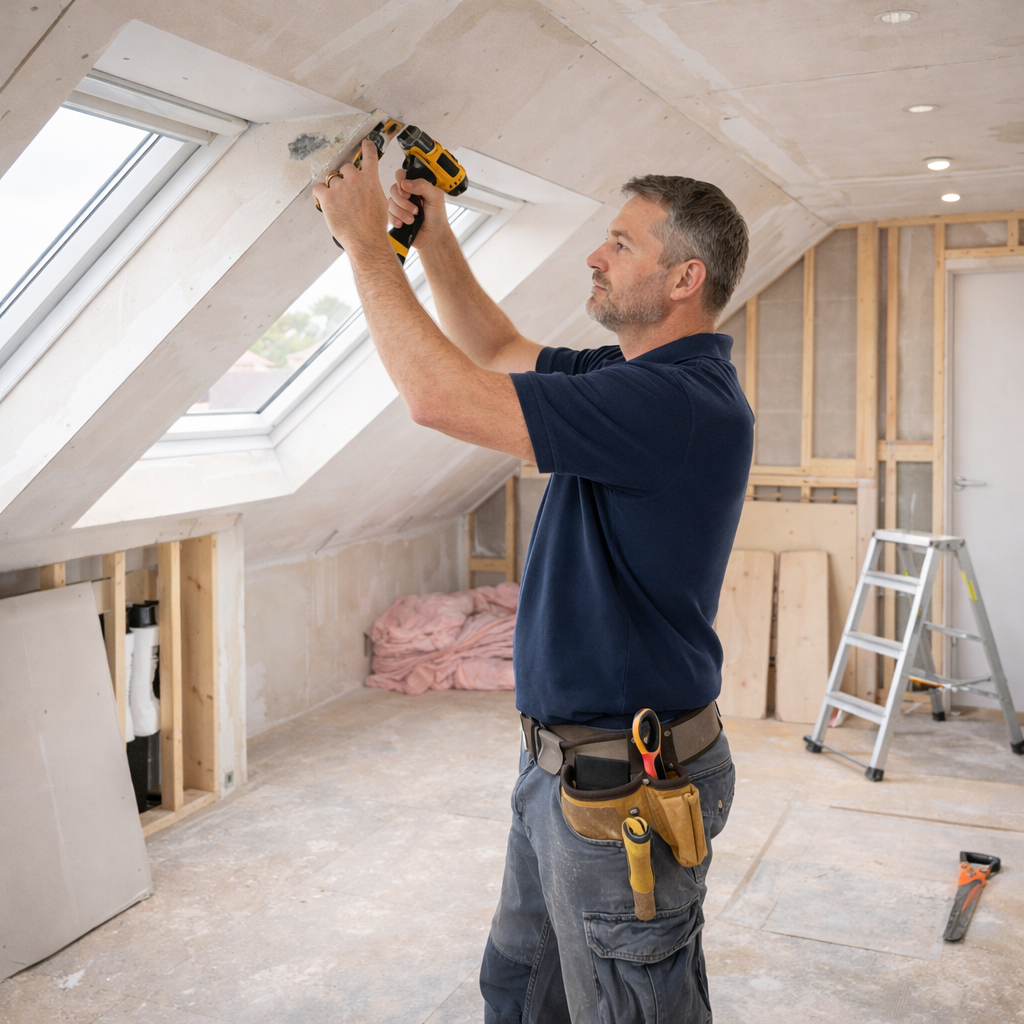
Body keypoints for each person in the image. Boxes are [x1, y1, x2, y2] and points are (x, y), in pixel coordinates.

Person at [314, 141, 753, 1024]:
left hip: (629, 781)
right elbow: (499, 347)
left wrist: (366, 247)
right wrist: (433, 239)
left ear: (683, 278)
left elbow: (440, 396)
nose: (596, 254)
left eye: (622, 243)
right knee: (521, 992)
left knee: (630, 1006)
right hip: (562, 768)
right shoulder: (635, 377)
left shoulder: (674, 406)